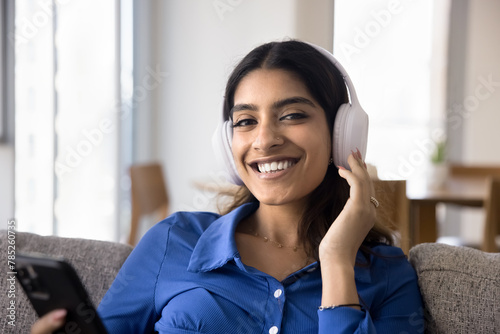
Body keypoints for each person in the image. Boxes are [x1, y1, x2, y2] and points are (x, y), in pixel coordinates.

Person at [32, 40, 423, 333]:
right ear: (227, 143)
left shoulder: (388, 275)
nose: (264, 139)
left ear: (342, 132)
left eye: (292, 115)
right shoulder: (174, 240)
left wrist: (337, 259)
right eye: (245, 121)